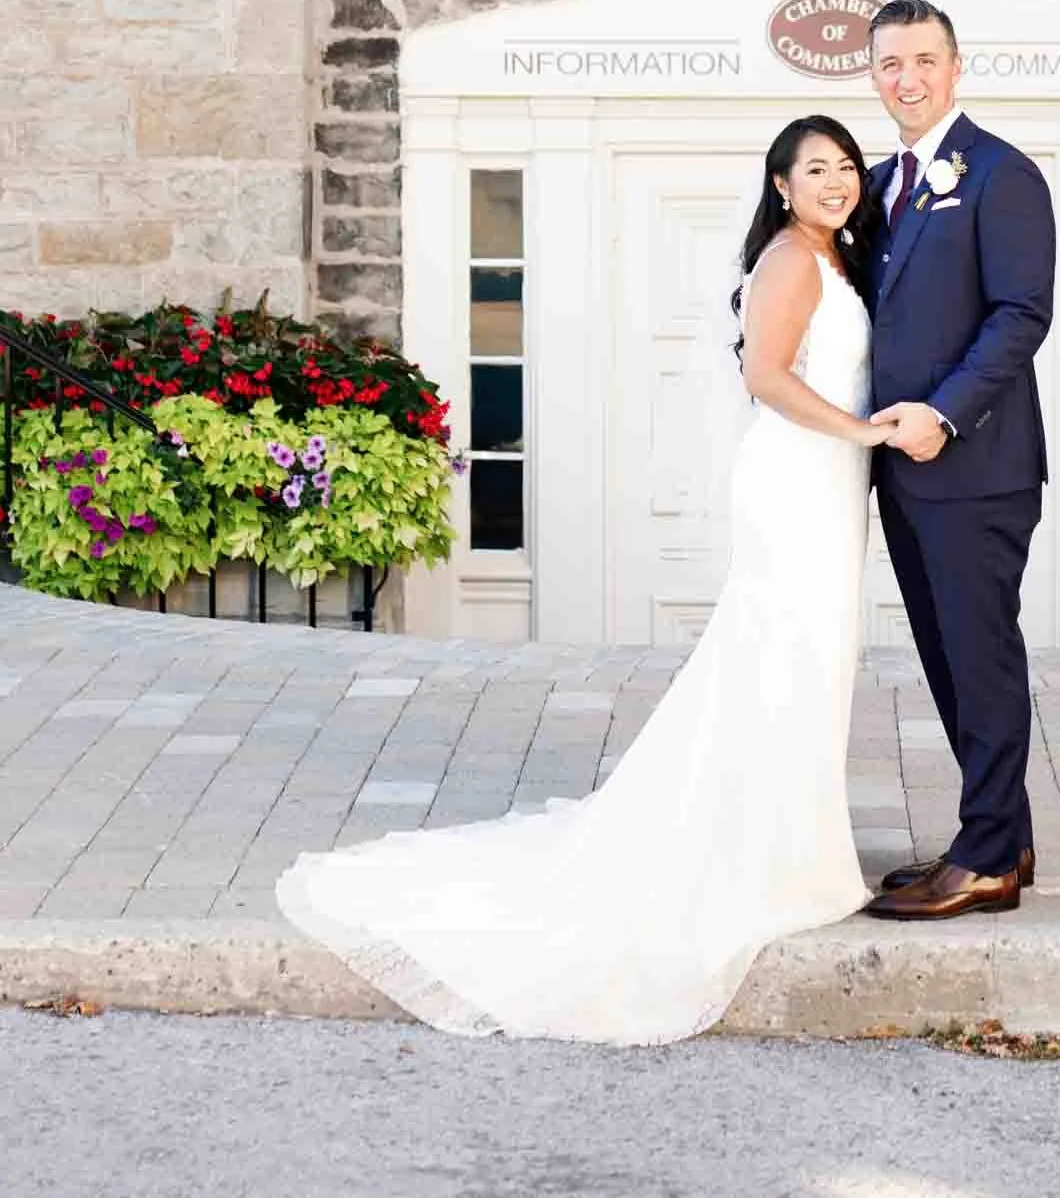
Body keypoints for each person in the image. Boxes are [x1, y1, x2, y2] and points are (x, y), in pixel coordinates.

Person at [275, 114, 891, 1042]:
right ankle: (768, 857)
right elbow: (764, 376)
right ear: (780, 186)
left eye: (845, 165)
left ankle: (794, 843)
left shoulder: (837, 257)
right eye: (815, 169)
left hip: (832, 478)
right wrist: (863, 433)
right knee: (783, 654)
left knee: (808, 661)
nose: (835, 180)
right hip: (799, 475)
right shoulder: (790, 263)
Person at [861, 0, 1056, 921]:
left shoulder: (998, 174)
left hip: (976, 464)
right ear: (873, 73)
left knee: (980, 660)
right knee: (946, 660)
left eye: (923, 61)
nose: (907, 78)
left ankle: (981, 861)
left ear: (955, 66)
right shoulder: (874, 182)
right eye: (890, 63)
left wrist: (944, 413)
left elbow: (1021, 314)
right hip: (898, 468)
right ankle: (1002, 840)